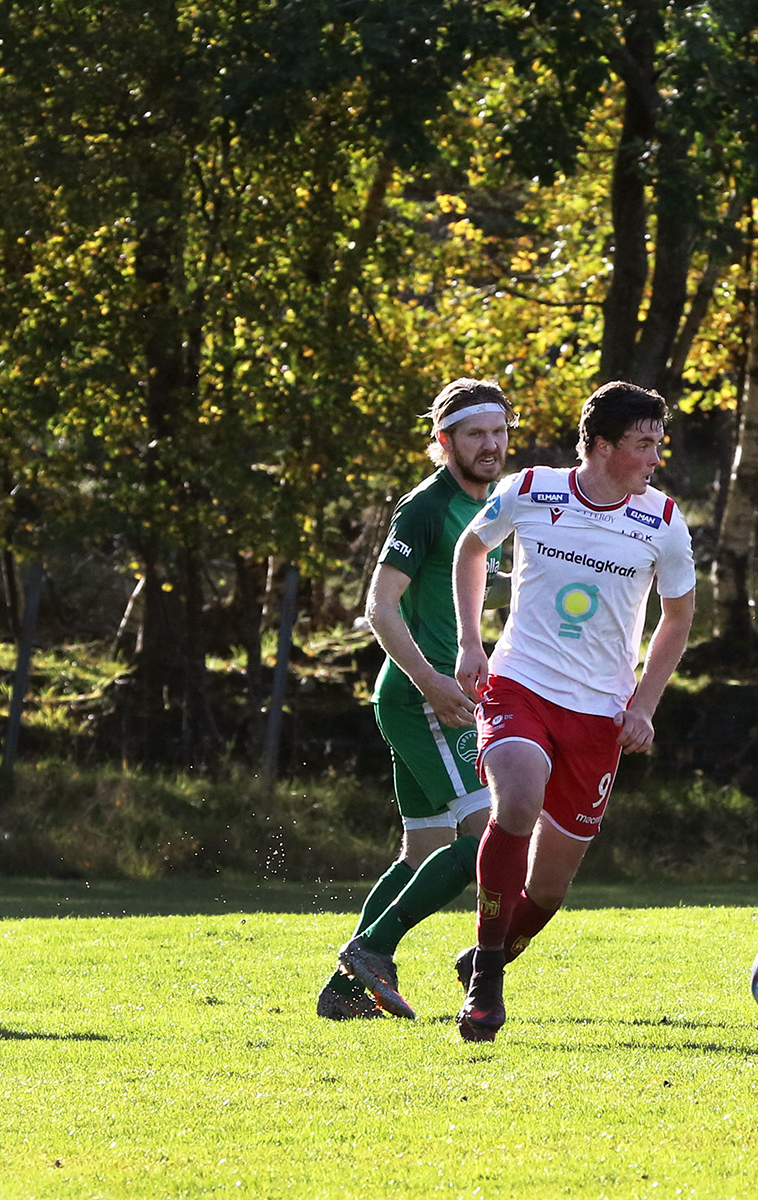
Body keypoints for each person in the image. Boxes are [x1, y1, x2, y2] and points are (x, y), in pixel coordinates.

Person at [449, 380, 696, 1042]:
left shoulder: (665, 522)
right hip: (519, 685)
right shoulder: (531, 490)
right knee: (518, 801)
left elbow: (678, 616)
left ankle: (491, 952)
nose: (654, 458)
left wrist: (644, 704)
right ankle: (486, 987)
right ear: (605, 445)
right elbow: (473, 548)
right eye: (644, 444)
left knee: (550, 891)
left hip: (598, 716)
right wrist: (471, 642)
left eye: (658, 444)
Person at [319, 378, 515, 1021]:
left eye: (498, 432)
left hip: (434, 696)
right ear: (444, 442)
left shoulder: (489, 504)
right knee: (488, 835)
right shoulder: (426, 507)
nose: (490, 445)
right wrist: (432, 681)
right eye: (474, 435)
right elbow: (379, 607)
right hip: (421, 697)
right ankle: (373, 949)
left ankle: (347, 989)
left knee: (425, 850)